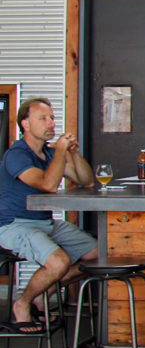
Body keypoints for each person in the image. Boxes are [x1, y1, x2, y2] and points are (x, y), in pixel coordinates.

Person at [0, 97, 97, 334]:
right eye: (43, 118)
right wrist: (60, 151)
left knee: (99, 254)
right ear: (25, 123)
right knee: (59, 261)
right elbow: (48, 185)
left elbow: (86, 181)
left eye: (52, 118)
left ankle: (42, 295)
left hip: (44, 223)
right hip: (14, 225)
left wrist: (72, 153)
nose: (51, 123)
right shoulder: (17, 155)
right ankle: (22, 304)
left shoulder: (47, 153)